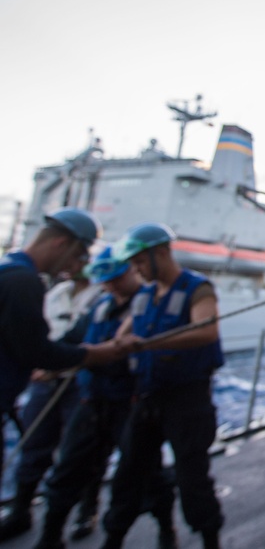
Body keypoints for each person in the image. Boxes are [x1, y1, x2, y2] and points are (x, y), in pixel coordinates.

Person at [32, 247, 177, 549]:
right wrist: (49, 361)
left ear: (132, 271)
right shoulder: (99, 308)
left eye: (117, 278)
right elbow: (72, 340)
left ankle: (164, 530)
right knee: (68, 467)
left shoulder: (151, 306)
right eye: (106, 281)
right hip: (93, 402)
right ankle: (50, 535)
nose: (111, 286)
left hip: (131, 404)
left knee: (146, 474)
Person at [101, 222, 224, 549]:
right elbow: (123, 336)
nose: (136, 269)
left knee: (191, 475)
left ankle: (209, 538)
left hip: (186, 400)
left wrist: (150, 344)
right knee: (129, 472)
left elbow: (207, 331)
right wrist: (122, 342)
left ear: (162, 253)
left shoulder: (198, 288)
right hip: (147, 397)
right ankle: (117, 536)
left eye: (140, 261)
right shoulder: (143, 295)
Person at [0, 208, 123, 527]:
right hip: (36, 385)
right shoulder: (25, 282)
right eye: (78, 255)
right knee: (40, 449)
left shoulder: (8, 271)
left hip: (55, 389)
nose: (77, 266)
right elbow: (38, 350)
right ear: (60, 244)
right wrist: (92, 354)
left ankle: (80, 507)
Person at [0, 253, 102, 542]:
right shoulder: (56, 293)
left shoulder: (102, 297)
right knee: (33, 447)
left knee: (77, 452)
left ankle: (85, 511)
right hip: (45, 381)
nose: (69, 265)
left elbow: (86, 338)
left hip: (77, 381)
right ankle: (20, 510)